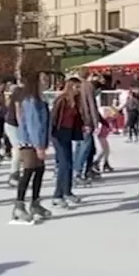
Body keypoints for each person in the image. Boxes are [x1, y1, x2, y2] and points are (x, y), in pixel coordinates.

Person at [11, 75, 51, 224]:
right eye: (44, 80)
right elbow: (34, 125)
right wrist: (38, 146)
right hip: (29, 142)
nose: (46, 82)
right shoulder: (31, 101)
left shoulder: (41, 100)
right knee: (28, 171)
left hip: (38, 141)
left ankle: (35, 202)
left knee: (39, 170)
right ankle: (19, 205)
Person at [49, 77, 86, 207]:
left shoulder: (75, 101)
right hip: (58, 134)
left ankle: (67, 191)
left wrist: (82, 126)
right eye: (76, 87)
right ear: (70, 87)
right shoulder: (61, 100)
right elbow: (53, 118)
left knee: (69, 163)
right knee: (64, 164)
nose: (78, 90)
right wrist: (50, 134)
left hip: (68, 133)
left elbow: (77, 118)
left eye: (79, 87)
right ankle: (57, 195)